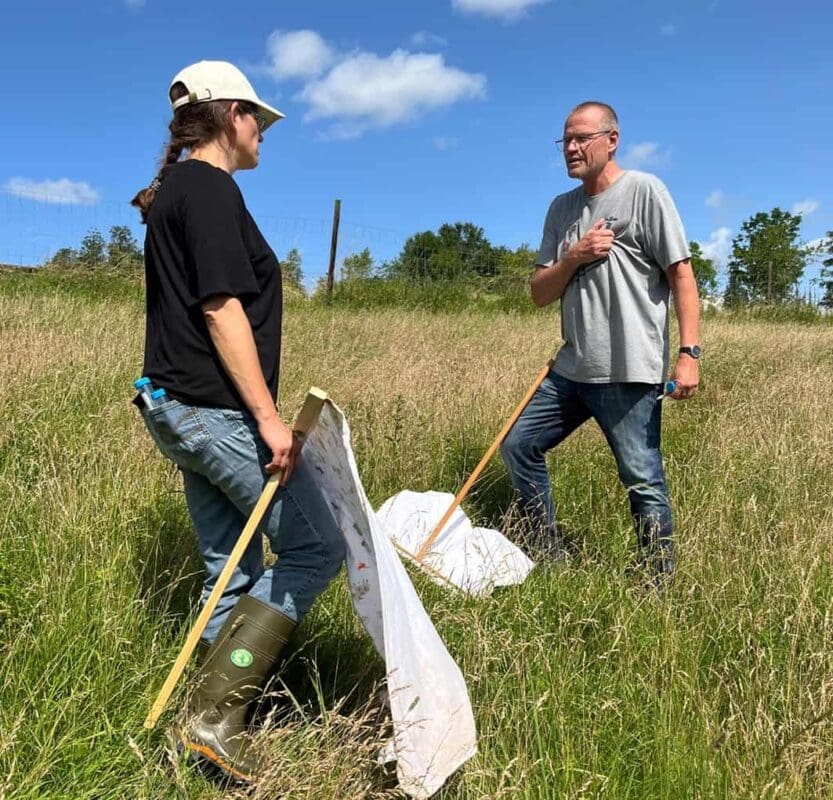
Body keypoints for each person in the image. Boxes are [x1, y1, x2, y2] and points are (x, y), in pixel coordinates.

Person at [131, 60, 345, 783]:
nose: (263, 133)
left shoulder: (173, 192)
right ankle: (215, 719)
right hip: (215, 412)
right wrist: (269, 419)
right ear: (230, 115)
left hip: (171, 408)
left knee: (230, 569)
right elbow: (220, 310)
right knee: (319, 547)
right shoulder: (210, 190)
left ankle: (218, 718)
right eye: (258, 117)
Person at [500, 101, 700, 585]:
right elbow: (538, 293)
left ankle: (657, 582)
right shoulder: (562, 210)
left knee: (642, 480)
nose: (571, 148)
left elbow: (682, 276)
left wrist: (689, 353)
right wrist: (574, 255)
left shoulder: (644, 191)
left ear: (612, 140)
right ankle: (548, 559)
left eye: (582, 138)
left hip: (630, 369)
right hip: (571, 369)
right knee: (518, 446)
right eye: (565, 140)